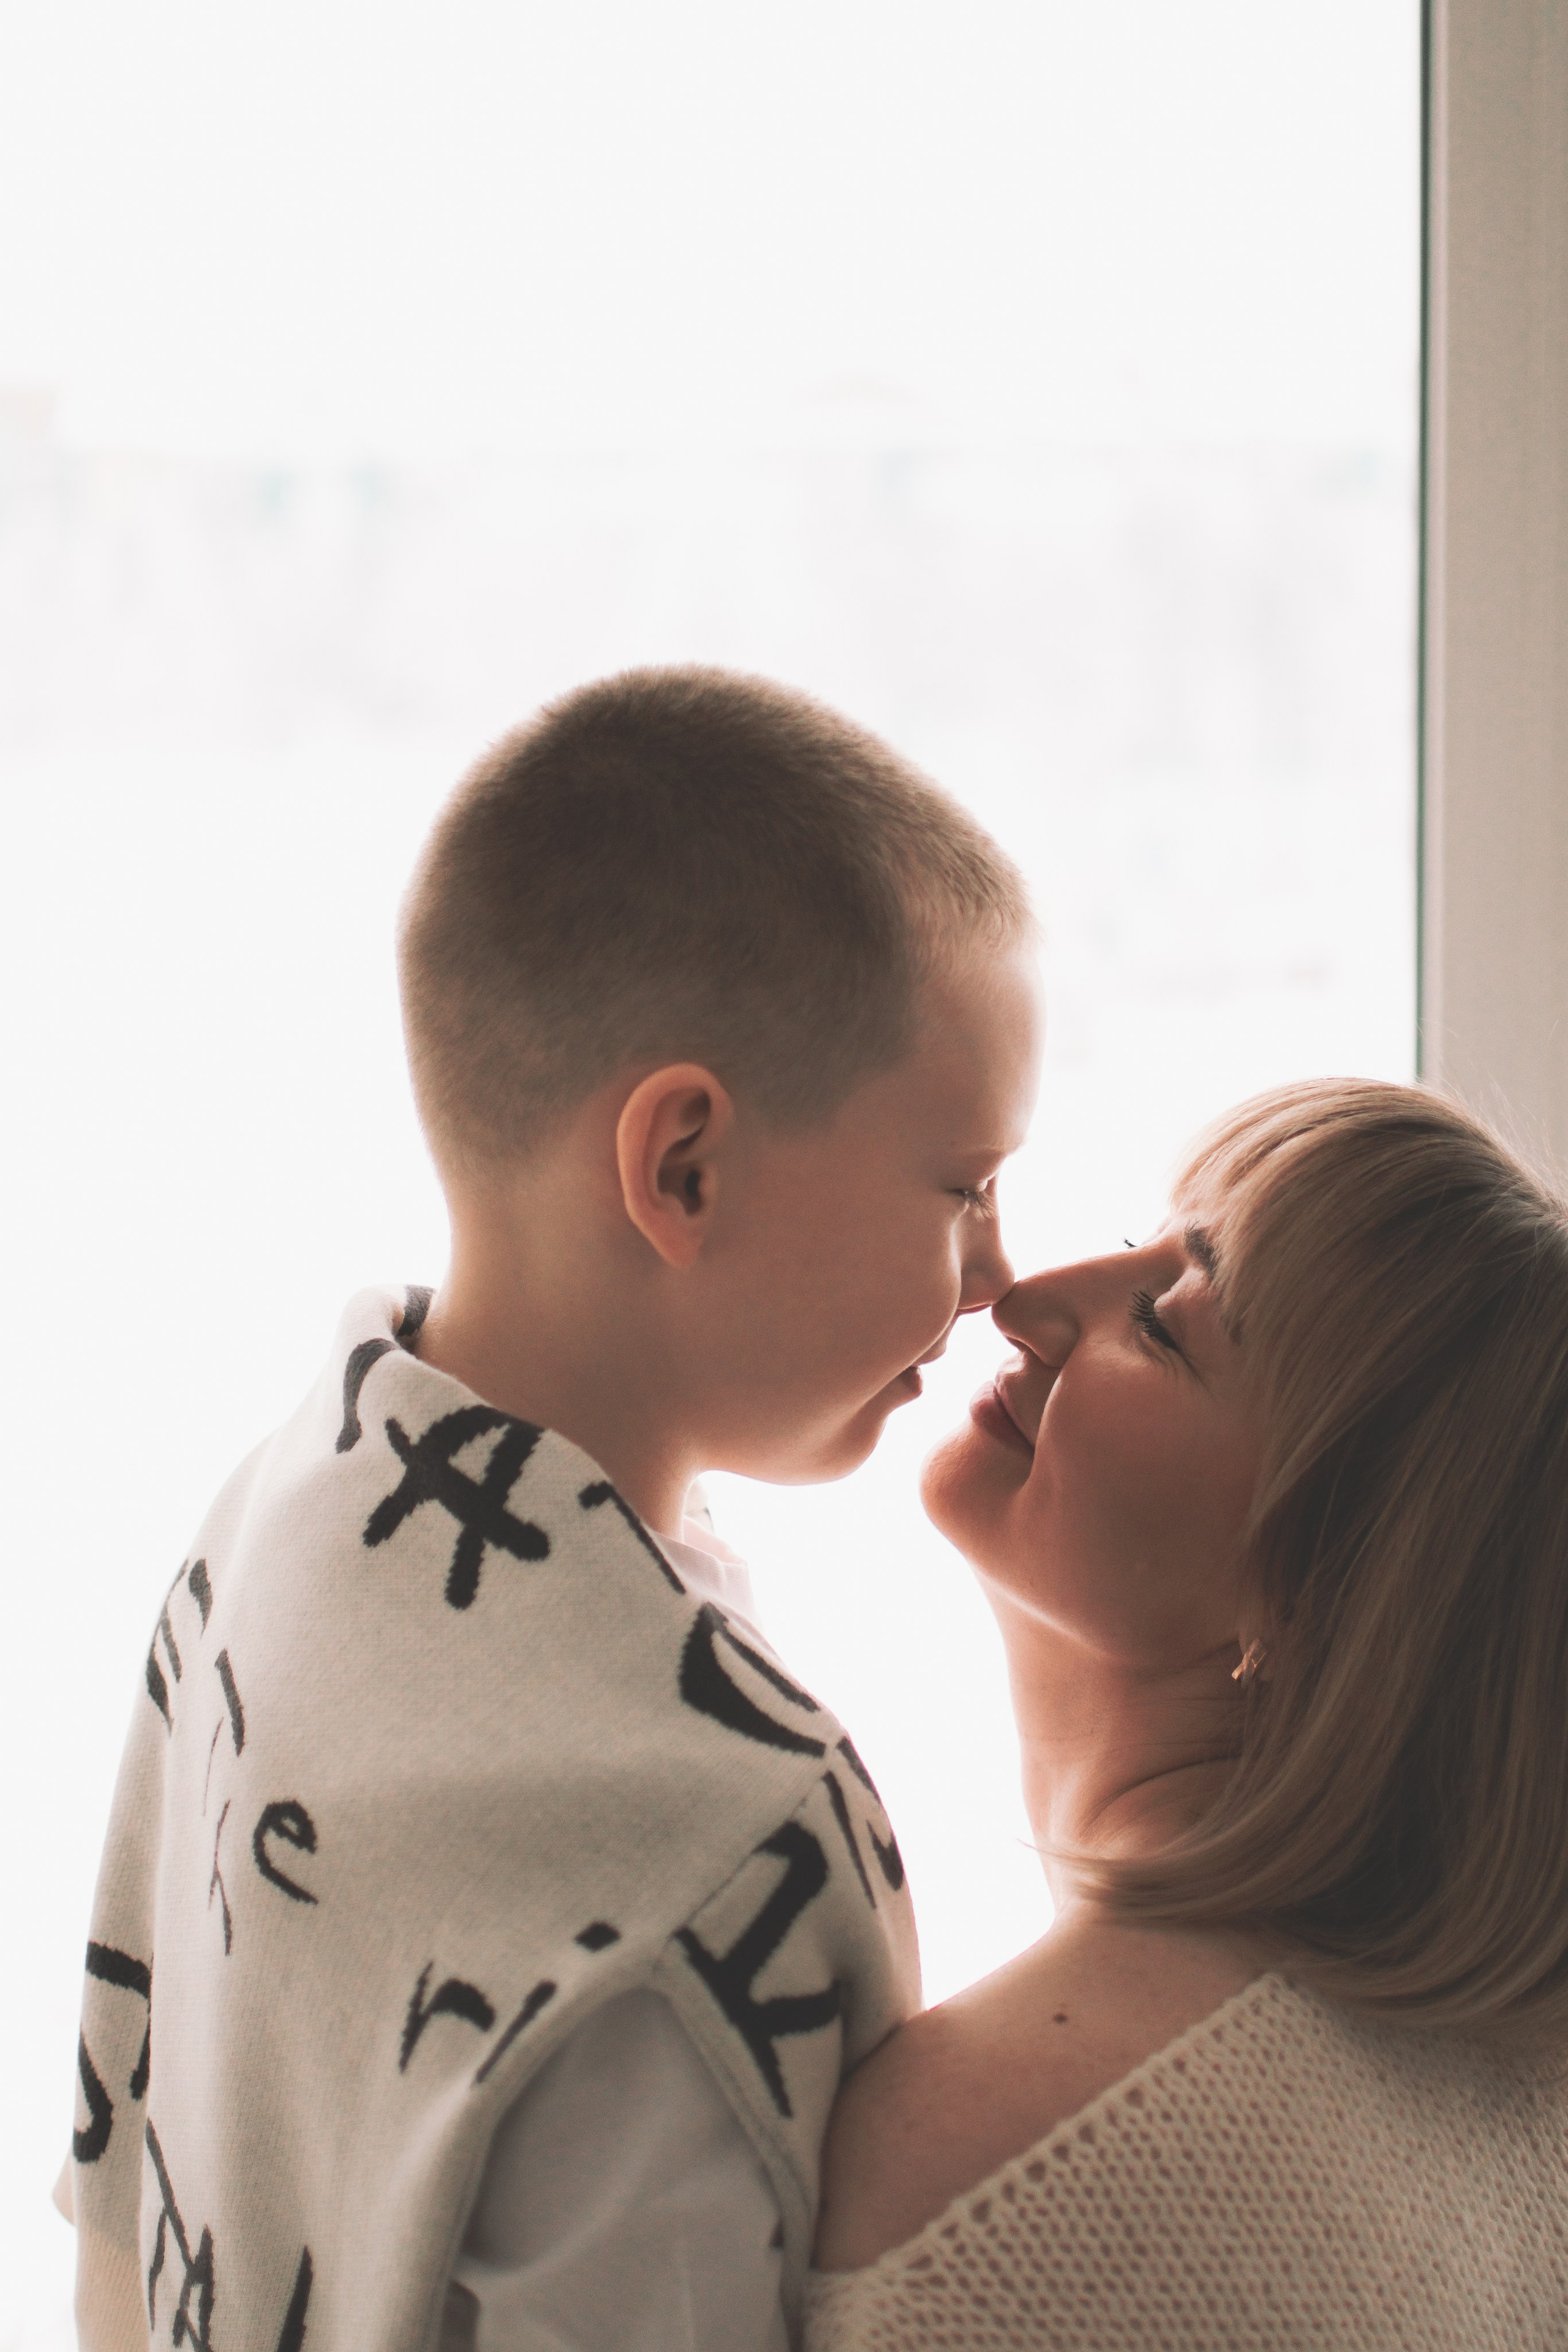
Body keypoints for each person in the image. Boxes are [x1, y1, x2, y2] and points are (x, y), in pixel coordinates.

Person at [63, 666, 1042, 2352]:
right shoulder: (718, 1839)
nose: (999, 1280)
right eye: (961, 1189)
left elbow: (124, 2159)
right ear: (683, 1167)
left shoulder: (276, 1513)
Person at [810, 1076, 1568, 2351]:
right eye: (1127, 1246)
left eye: (1163, 1324)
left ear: (1322, 1588)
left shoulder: (990, 2163)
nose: (1024, 1299)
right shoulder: (1519, 2095)